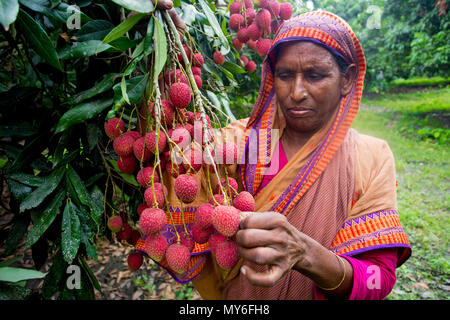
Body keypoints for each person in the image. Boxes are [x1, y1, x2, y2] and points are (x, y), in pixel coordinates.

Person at [135, 9, 412, 300]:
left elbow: (377, 279)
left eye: (316, 75)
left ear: (347, 79)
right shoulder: (240, 141)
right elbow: (162, 150)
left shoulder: (371, 157)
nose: (297, 92)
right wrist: (163, 56)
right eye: (285, 75)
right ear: (272, 77)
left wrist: (305, 253)